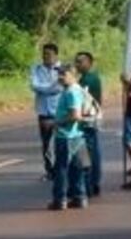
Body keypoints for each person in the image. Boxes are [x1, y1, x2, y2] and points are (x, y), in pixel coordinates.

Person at [48, 64, 88, 210]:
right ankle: (79, 197)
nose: (60, 77)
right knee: (76, 168)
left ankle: (60, 199)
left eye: (63, 74)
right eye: (58, 74)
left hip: (66, 136)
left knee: (61, 168)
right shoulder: (77, 90)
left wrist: (56, 123)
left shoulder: (71, 92)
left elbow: (75, 115)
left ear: (72, 75)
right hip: (77, 135)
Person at [30, 43, 62, 180]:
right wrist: (50, 88)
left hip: (60, 111)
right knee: (47, 144)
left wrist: (44, 89)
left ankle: (61, 169)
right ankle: (50, 171)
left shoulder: (62, 69)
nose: (46, 57)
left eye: (49, 54)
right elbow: (34, 86)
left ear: (55, 55)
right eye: (44, 54)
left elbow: (59, 88)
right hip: (44, 112)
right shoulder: (36, 69)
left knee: (61, 142)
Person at [75, 52, 103, 197]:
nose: (78, 65)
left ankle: (90, 183)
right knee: (92, 152)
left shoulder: (89, 80)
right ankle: (93, 182)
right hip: (91, 118)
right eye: (77, 62)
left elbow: (82, 100)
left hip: (88, 120)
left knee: (88, 153)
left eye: (81, 62)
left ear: (89, 63)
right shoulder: (85, 78)